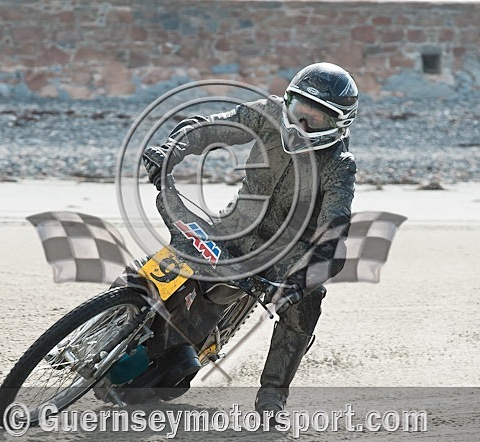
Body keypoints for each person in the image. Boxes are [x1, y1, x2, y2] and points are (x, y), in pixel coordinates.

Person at [142, 62, 359, 418]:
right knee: (171, 255)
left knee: (310, 299)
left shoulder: (339, 164)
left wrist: (298, 283)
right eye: (299, 111)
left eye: (316, 119)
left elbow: (333, 234)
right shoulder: (268, 113)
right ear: (288, 102)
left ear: (338, 123)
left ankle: (273, 395)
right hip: (236, 226)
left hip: (285, 255)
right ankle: (115, 315)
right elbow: (211, 128)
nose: (302, 126)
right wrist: (171, 150)